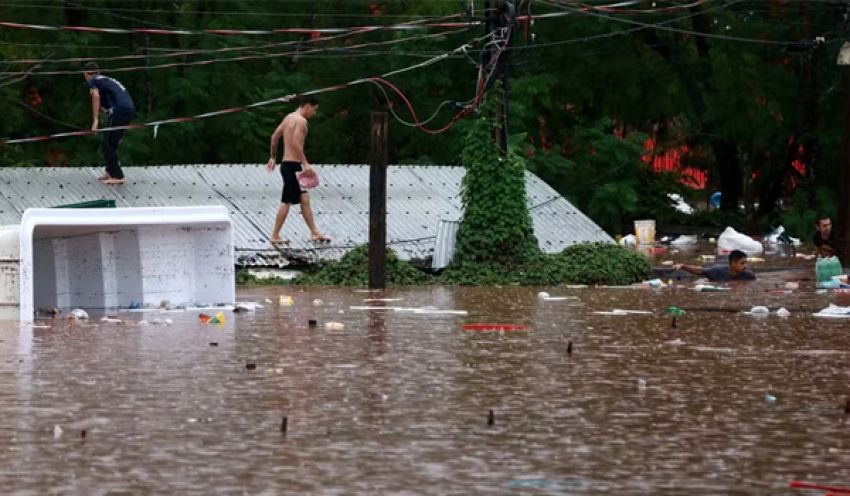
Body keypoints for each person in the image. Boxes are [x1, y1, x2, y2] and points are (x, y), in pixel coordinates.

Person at [266, 95, 331, 245]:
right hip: (293, 166)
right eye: (314, 110)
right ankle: (275, 235)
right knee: (286, 201)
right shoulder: (301, 122)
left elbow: (274, 137)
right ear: (307, 106)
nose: (314, 113)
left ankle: (314, 231)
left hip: (288, 165)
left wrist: (273, 157)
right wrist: (306, 164)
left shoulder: (289, 118)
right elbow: (296, 143)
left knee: (304, 198)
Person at [84, 62, 135, 185]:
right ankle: (110, 170)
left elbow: (96, 96)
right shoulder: (106, 80)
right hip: (129, 108)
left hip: (119, 109)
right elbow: (108, 103)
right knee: (112, 141)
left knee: (108, 143)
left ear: (85, 74)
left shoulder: (93, 81)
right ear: (98, 71)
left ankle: (117, 176)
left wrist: (95, 120)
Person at [673, 250, 756, 282]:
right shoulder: (718, 271)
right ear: (733, 263)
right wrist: (683, 266)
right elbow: (700, 271)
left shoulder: (749, 275)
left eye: (746, 263)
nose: (745, 266)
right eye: (742, 263)